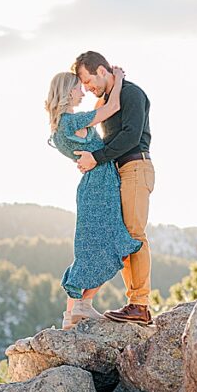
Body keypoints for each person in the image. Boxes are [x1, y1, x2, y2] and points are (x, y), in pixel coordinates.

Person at [44, 67, 142, 328]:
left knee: (89, 250)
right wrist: (118, 79)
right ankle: (82, 305)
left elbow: (103, 108)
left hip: (93, 184)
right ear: (67, 92)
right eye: (78, 87)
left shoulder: (60, 126)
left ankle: (71, 315)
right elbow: (112, 108)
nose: (82, 91)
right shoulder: (71, 121)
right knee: (116, 245)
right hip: (100, 184)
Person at [72, 51, 154, 325]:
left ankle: (140, 304)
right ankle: (135, 303)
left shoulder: (133, 94)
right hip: (118, 173)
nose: (87, 88)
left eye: (88, 80)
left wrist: (97, 157)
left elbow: (131, 135)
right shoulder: (109, 98)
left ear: (102, 71)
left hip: (134, 167)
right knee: (122, 237)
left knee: (134, 234)